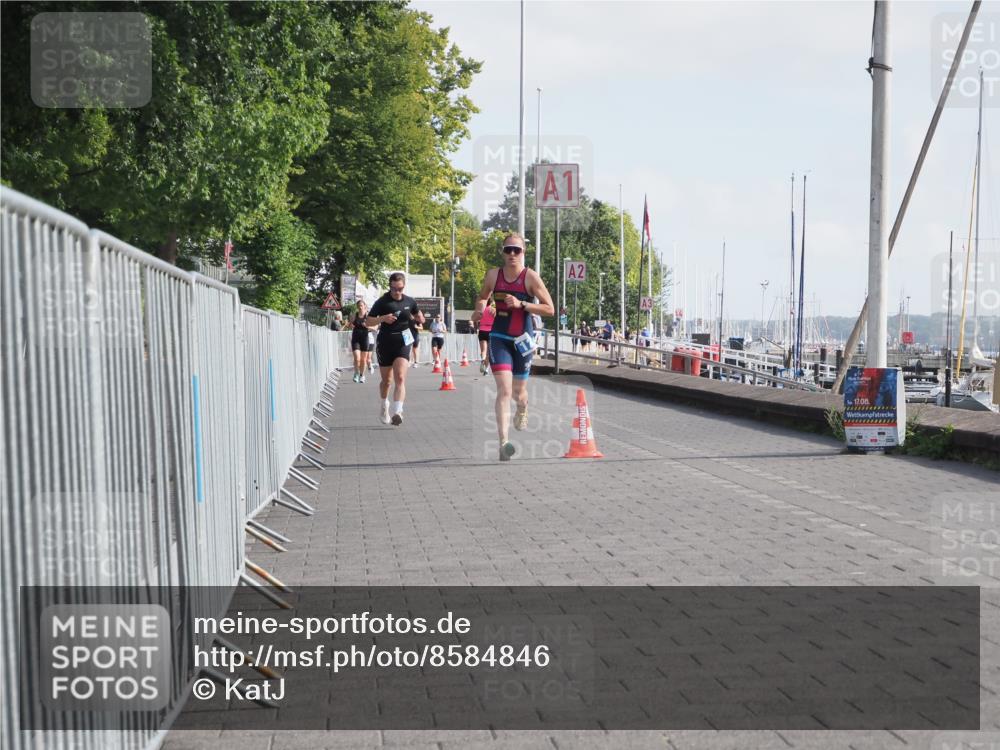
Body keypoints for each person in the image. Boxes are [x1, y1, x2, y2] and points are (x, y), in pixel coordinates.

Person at [471, 233, 555, 461]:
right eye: (507, 250)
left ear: (523, 252)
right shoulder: (493, 275)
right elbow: (482, 297)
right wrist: (480, 309)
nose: (511, 255)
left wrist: (523, 304)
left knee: (519, 393)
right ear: (502, 252)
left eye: (516, 250)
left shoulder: (531, 278)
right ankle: (503, 442)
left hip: (523, 339)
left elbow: (550, 309)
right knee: (504, 390)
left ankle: (523, 408)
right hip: (499, 337)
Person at [366, 273, 424, 425]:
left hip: (403, 341)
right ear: (390, 286)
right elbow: (368, 321)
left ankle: (398, 411)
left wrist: (420, 318)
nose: (397, 292)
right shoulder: (382, 302)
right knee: (387, 381)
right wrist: (382, 318)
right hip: (385, 342)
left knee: (400, 377)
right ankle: (384, 404)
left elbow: (419, 315)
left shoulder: (410, 301)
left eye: (400, 288)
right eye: (394, 289)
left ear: (404, 286)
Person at [349, 301, 374, 383]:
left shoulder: (368, 316)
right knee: (357, 358)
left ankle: (362, 375)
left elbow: (374, 328)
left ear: (364, 306)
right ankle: (356, 373)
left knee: (363, 360)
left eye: (361, 305)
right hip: (356, 339)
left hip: (365, 339)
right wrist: (351, 325)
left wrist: (367, 326)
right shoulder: (354, 316)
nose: (360, 307)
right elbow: (349, 325)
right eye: (359, 306)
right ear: (357, 307)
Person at [477, 301, 496, 375]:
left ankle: (482, 359)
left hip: (482, 330)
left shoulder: (482, 310)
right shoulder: (493, 310)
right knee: (488, 352)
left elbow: (476, 320)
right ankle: (486, 369)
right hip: (491, 331)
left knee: (483, 350)